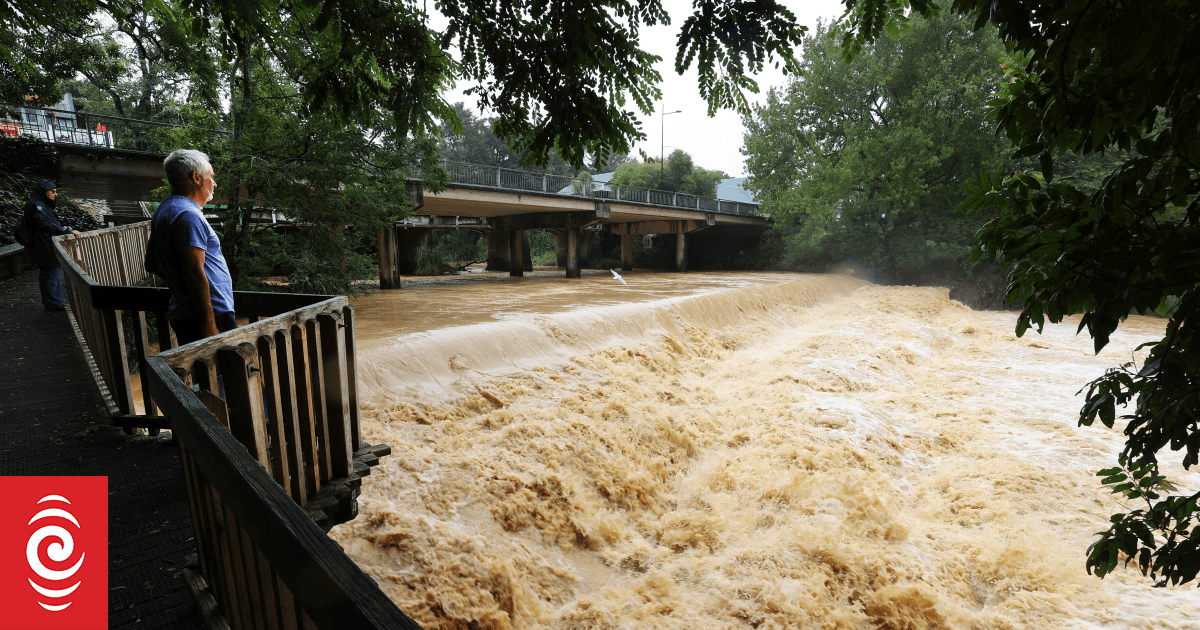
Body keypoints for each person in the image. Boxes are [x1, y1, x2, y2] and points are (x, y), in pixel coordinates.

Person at [146, 149, 235, 344]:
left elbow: (151, 263)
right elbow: (193, 270)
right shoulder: (188, 215)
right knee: (221, 364)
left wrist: (180, 287)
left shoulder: (164, 209)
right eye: (211, 177)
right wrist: (208, 323)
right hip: (208, 317)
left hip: (186, 313)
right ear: (196, 178)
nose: (214, 184)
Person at [22, 180, 82, 312]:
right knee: (50, 271)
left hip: (44, 242)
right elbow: (44, 224)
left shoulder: (40, 203)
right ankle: (53, 304)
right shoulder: (37, 205)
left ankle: (53, 302)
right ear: (43, 192)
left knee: (50, 271)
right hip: (42, 244)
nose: (55, 194)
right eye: (52, 191)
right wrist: (66, 231)